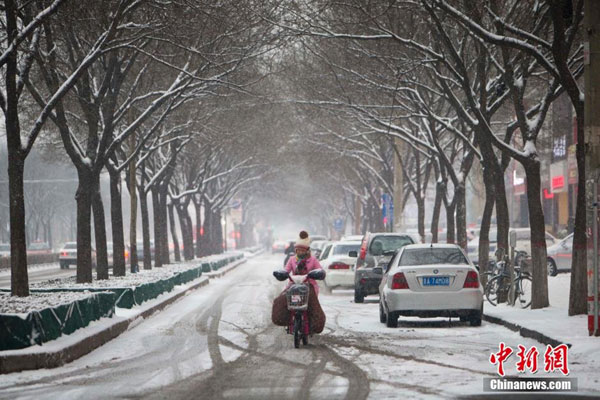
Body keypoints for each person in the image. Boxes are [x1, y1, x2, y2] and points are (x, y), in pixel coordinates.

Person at [272, 230, 326, 333]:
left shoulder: (313, 260)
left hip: (309, 286)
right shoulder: (292, 259)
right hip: (293, 286)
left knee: (312, 305)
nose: (300, 252)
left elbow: (320, 269)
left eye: (302, 250)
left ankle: (311, 324)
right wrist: (282, 273)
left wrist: (319, 273)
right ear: (295, 250)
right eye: (298, 250)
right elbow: (286, 270)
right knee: (282, 301)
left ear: (307, 250)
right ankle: (288, 320)